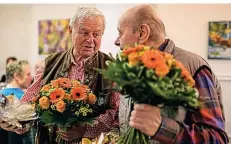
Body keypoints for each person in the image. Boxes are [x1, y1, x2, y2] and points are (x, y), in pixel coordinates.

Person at [115, 5, 229, 144]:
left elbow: (216, 139)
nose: (117, 41)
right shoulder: (130, 69)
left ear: (142, 33)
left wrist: (160, 127)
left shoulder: (194, 68)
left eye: (120, 33)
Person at [21, 7, 120, 144]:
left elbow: (116, 113)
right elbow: (29, 102)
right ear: (70, 31)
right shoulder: (50, 63)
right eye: (84, 33)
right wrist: (16, 121)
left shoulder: (111, 68)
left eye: (96, 34)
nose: (90, 40)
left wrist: (85, 129)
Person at [0, 60, 34, 144]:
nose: (31, 77)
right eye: (28, 74)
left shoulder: (1, 93)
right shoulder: (23, 98)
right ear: (17, 76)